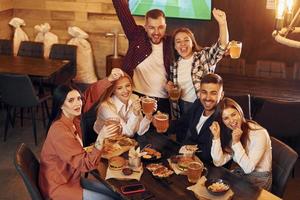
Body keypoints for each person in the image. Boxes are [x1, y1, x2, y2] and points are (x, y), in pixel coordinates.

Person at [39, 68, 124, 200]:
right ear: (61, 105)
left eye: (78, 99)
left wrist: (110, 79)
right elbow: (85, 165)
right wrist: (100, 138)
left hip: (72, 179)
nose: (78, 103)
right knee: (110, 198)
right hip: (58, 187)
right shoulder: (60, 132)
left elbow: (90, 95)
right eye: (71, 100)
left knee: (118, 194)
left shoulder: (72, 117)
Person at [166, 8, 229, 118]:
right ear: (175, 47)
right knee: (182, 134)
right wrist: (170, 86)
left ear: (192, 42)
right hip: (179, 107)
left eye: (186, 40)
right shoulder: (174, 64)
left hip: (201, 106)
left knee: (198, 134)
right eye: (178, 41)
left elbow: (221, 47)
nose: (183, 44)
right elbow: (173, 86)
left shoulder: (203, 56)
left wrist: (222, 23)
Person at [112, 0, 172, 114]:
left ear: (165, 26)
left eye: (160, 27)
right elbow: (121, 9)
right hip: (136, 97)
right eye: (151, 28)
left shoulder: (171, 43)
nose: (156, 32)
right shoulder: (137, 36)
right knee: (135, 131)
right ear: (145, 27)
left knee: (160, 130)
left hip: (162, 101)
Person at [210, 97, 272, 190]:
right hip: (241, 172)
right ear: (222, 122)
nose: (231, 120)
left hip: (259, 178)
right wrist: (216, 137)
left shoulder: (259, 133)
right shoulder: (231, 132)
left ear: (240, 112)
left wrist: (236, 142)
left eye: (233, 114)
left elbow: (248, 168)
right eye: (226, 118)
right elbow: (218, 162)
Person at [168, 73, 230, 163]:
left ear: (222, 95)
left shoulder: (224, 118)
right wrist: (165, 125)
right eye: (204, 92)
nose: (208, 98)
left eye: (213, 93)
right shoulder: (198, 104)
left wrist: (188, 149)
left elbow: (210, 155)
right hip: (188, 160)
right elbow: (181, 123)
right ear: (199, 92)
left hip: (209, 167)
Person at [94, 72, 156, 137]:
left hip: (124, 141)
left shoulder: (134, 98)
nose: (125, 91)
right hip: (104, 141)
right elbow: (126, 133)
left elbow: (139, 131)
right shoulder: (105, 107)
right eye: (119, 88)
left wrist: (148, 115)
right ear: (113, 90)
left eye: (127, 85)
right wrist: (134, 114)